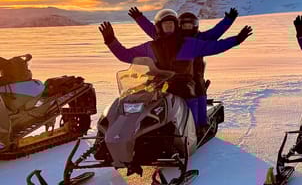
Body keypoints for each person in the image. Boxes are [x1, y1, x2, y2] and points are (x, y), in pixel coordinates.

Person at [99, 9, 252, 138]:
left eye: (171, 25)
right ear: (160, 27)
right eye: (165, 25)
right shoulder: (152, 46)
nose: (169, 28)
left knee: (189, 93)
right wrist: (111, 40)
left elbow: (215, 46)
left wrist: (236, 39)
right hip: (159, 81)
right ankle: (140, 130)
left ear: (176, 26)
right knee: (142, 98)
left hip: (183, 82)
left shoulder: (190, 43)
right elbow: (125, 55)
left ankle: (193, 128)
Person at [128, 7, 239, 135]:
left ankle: (200, 124)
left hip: (194, 74)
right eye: (184, 25)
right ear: (179, 25)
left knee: (199, 92)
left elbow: (215, 33)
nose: (187, 28)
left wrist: (228, 20)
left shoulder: (199, 38)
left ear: (195, 26)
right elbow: (152, 30)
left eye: (190, 25)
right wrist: (139, 18)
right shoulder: (172, 37)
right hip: (171, 75)